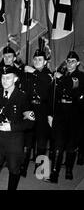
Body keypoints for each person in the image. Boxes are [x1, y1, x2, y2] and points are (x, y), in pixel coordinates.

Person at [47, 51, 84, 183]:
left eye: (73, 61)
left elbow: (72, 88)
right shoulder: (59, 75)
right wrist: (50, 114)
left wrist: (61, 78)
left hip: (74, 114)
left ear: (78, 63)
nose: (69, 64)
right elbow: (52, 95)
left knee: (71, 145)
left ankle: (68, 169)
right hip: (60, 113)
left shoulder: (80, 76)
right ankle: (54, 173)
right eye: (68, 61)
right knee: (58, 143)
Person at [20, 49, 53, 177]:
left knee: (41, 140)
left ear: (45, 62)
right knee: (28, 139)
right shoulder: (29, 74)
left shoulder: (48, 74)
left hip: (43, 109)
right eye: (35, 59)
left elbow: (46, 81)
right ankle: (23, 166)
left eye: (40, 59)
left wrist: (33, 71)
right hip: (30, 107)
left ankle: (40, 169)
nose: (37, 61)